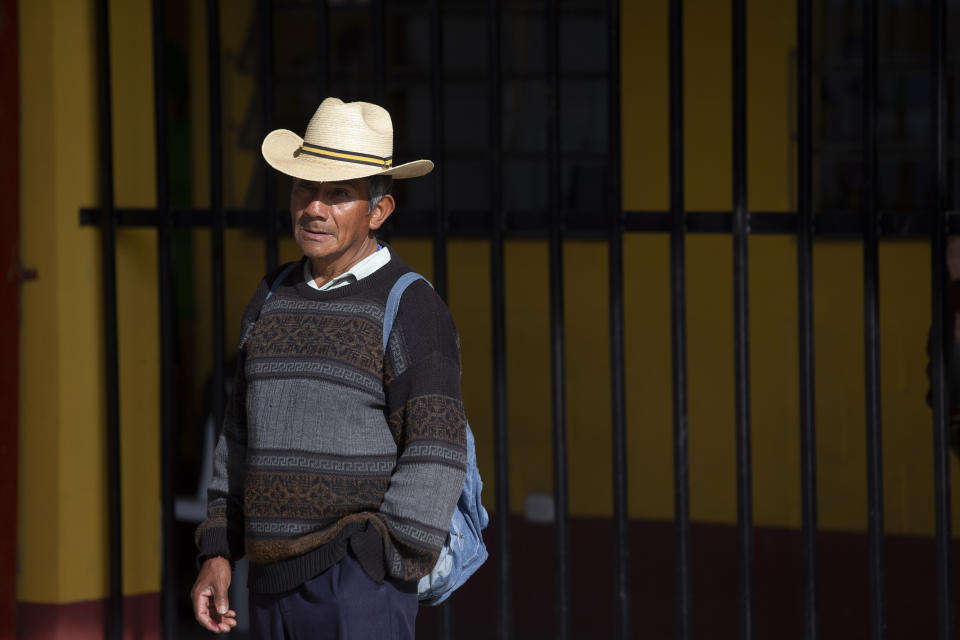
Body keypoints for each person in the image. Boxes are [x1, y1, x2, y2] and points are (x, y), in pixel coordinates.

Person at [190, 97, 468, 639]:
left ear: (378, 211)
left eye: (338, 194)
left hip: (357, 586)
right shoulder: (271, 295)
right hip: (268, 587)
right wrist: (218, 549)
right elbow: (237, 440)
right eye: (304, 189)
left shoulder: (411, 306)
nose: (314, 208)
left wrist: (381, 556)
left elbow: (437, 450)